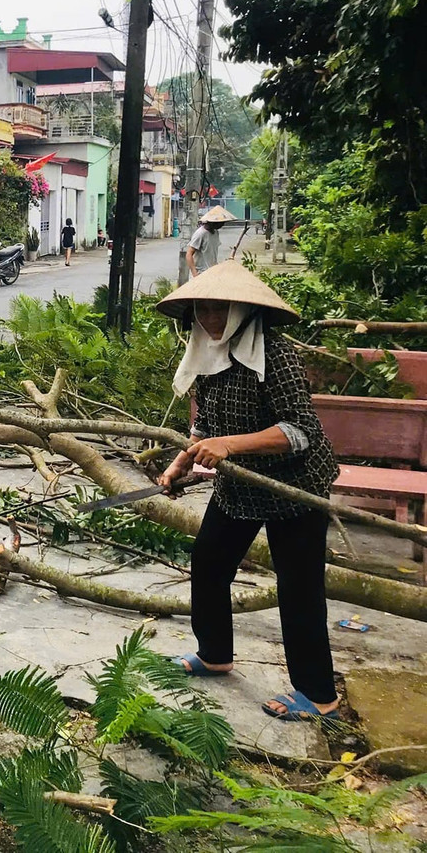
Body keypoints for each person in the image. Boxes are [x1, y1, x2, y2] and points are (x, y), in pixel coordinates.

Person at [155, 260, 341, 723]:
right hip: (239, 487)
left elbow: (301, 431)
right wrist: (183, 460)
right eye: (203, 308)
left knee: (299, 587)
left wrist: (229, 445)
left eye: (221, 308)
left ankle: (319, 694)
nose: (211, 318)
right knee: (209, 563)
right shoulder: (206, 350)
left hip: (295, 487)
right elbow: (207, 419)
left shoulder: (273, 354)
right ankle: (215, 653)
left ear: (241, 310)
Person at [185, 204, 234, 278]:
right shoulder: (200, 233)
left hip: (212, 272)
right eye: (220, 223)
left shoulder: (215, 232)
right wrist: (194, 273)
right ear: (213, 222)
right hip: (201, 273)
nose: (222, 225)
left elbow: (212, 252)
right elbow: (189, 254)